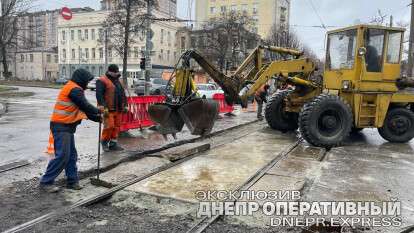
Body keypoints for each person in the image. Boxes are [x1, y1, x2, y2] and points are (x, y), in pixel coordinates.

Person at [40, 69, 102, 193]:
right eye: (87, 81)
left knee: (71, 155)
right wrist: (98, 111)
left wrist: (98, 118)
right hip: (61, 126)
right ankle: (46, 182)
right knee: (63, 155)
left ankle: (72, 181)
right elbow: (85, 105)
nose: (87, 83)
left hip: (66, 127)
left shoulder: (75, 89)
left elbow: (82, 110)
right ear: (82, 79)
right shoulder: (74, 89)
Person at [96, 64, 127, 152]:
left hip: (118, 108)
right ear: (110, 72)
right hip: (107, 109)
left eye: (117, 72)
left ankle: (113, 144)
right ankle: (104, 142)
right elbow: (99, 95)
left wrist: (125, 105)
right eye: (115, 72)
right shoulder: (102, 81)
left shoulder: (119, 81)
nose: (116, 74)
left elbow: (123, 94)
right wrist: (103, 107)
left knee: (117, 126)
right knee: (109, 126)